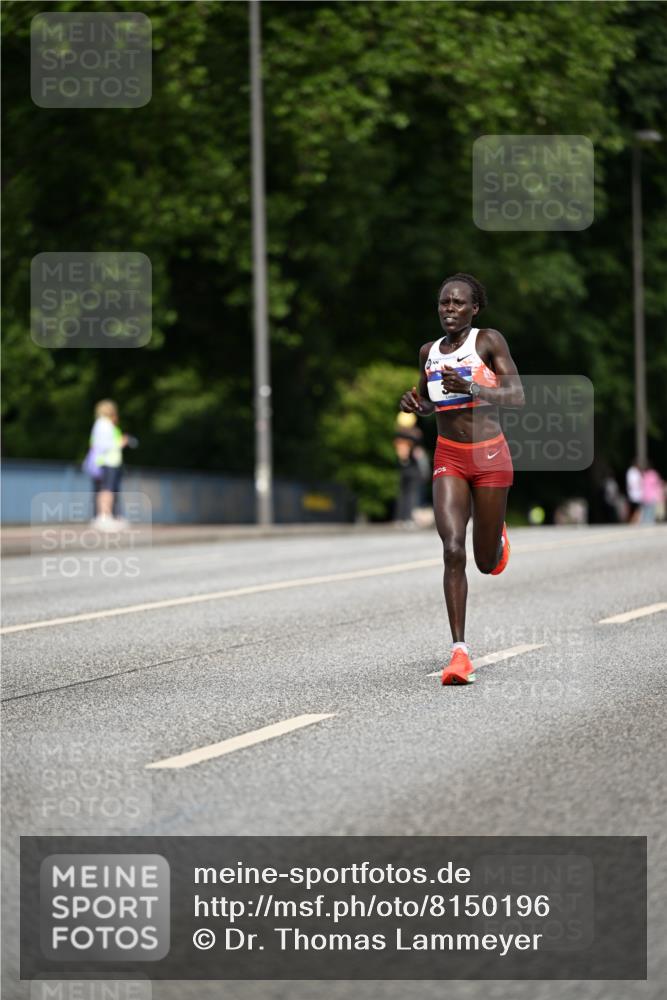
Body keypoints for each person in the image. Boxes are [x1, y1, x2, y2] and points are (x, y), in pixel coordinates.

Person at [400, 273, 524, 685]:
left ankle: (496, 539)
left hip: (490, 456)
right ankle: (459, 652)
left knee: (484, 562)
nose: (449, 309)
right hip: (448, 457)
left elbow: (517, 395)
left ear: (474, 308)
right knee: (453, 549)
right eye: (443, 303)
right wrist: (417, 406)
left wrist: (472, 384)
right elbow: (431, 401)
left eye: (457, 303)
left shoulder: (488, 341)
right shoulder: (428, 352)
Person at [87, 399, 130, 531]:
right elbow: (103, 445)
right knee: (107, 490)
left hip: (108, 462)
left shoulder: (101, 424)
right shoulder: (104, 424)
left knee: (106, 490)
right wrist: (120, 443)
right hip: (108, 461)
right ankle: (104, 517)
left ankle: (105, 517)